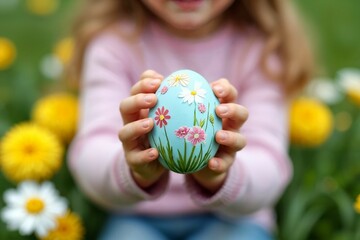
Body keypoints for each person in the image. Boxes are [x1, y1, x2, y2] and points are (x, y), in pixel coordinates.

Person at [67, 0, 313, 239]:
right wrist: (136, 171)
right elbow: (91, 156)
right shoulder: (114, 46)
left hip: (235, 219)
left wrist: (218, 176)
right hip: (137, 215)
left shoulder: (261, 49)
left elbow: (269, 168)